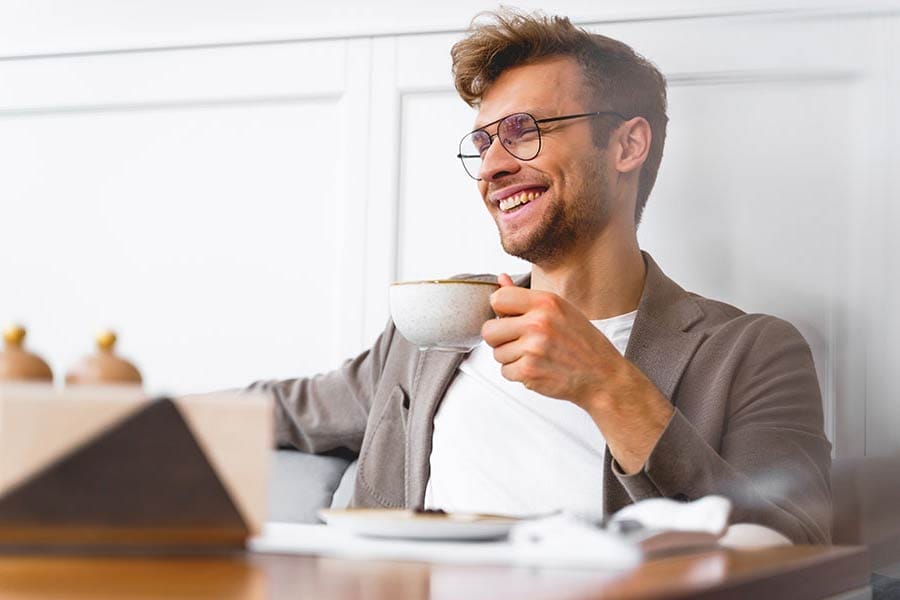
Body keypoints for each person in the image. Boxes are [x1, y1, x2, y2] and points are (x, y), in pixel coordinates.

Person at [253, 9, 831, 544]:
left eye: (524, 130)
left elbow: (795, 548)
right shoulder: (435, 328)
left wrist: (609, 387)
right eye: (483, 142)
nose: (493, 167)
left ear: (628, 145)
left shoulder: (752, 351)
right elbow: (284, 409)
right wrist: (160, 410)